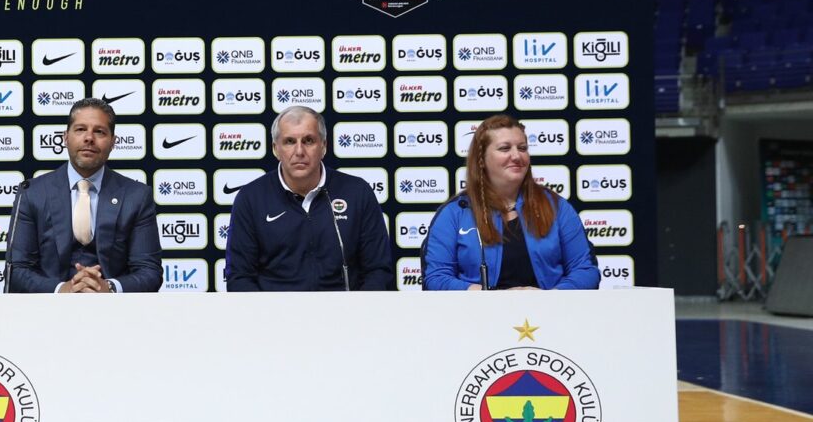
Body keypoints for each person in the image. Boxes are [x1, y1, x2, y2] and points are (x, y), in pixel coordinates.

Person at [422, 114, 599, 291]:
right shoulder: (455, 212)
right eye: (505, 148)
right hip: (480, 308)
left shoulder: (556, 207)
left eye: (522, 148)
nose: (516, 156)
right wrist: (489, 295)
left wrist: (549, 297)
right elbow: (436, 278)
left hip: (546, 307)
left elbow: (586, 271)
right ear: (481, 159)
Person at [224, 106, 392, 291]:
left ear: (323, 146)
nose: (299, 151)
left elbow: (378, 270)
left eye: (308, 140)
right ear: (275, 149)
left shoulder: (357, 192)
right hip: (275, 309)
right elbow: (239, 277)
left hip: (345, 308)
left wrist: (356, 308)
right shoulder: (251, 198)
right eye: (289, 141)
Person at [5, 97, 161, 293]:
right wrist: (62, 289)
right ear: (65, 137)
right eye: (80, 129)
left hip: (115, 308)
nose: (89, 138)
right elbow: (16, 270)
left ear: (113, 142)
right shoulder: (32, 193)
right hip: (48, 307)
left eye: (99, 131)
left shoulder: (137, 196)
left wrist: (109, 288)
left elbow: (149, 272)